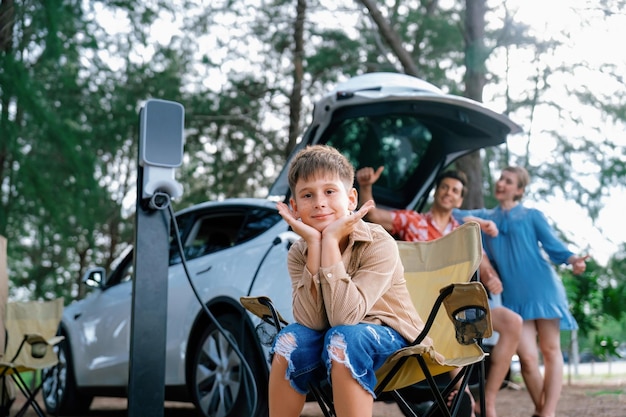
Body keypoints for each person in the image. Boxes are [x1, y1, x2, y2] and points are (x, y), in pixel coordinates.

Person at [270, 145, 431, 417]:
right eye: (308, 195)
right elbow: (311, 321)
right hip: (333, 334)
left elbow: (345, 317)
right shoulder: (299, 251)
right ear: (294, 208)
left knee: (344, 337)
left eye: (330, 191)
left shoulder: (378, 242)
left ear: (351, 199)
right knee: (289, 339)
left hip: (392, 336)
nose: (319, 202)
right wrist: (314, 243)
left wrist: (330, 240)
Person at [356, 166, 523, 417]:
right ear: (437, 192)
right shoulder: (414, 221)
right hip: (419, 308)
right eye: (444, 187)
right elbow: (375, 216)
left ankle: (486, 401)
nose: (448, 193)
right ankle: (462, 393)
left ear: (460, 199)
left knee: (512, 323)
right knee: (450, 319)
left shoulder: (462, 233)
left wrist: (491, 277)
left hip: (454, 309)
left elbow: (483, 263)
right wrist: (366, 186)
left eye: (455, 191)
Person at [453, 166, 588, 417]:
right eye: (501, 178)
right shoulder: (487, 215)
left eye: (509, 181)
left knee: (550, 350)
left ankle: (547, 412)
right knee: (527, 358)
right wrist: (481, 223)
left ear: (519, 190)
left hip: (544, 289)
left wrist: (573, 260)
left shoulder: (532, 215)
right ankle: (541, 409)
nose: (501, 183)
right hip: (515, 298)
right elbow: (453, 215)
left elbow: (553, 246)